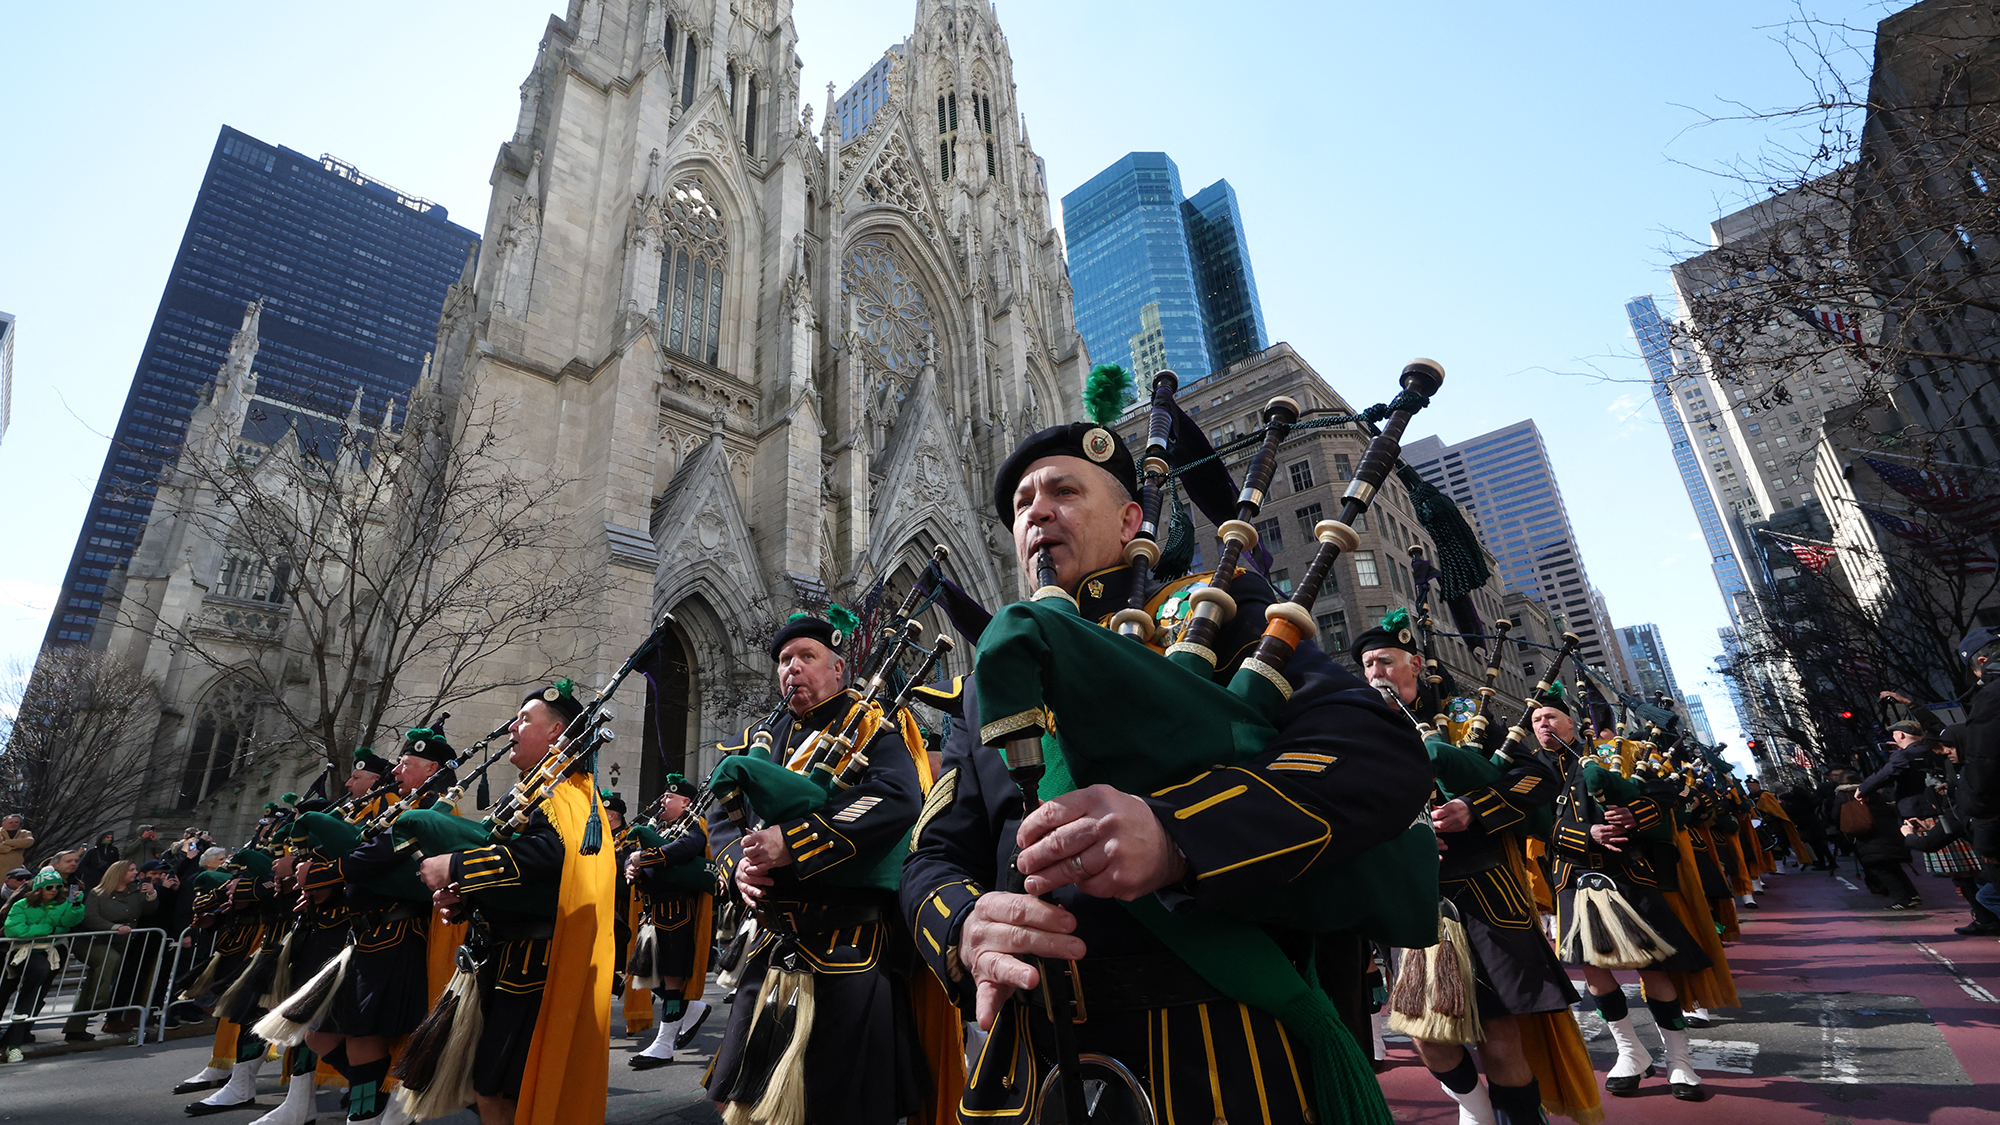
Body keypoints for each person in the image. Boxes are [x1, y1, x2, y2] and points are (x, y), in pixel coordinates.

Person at [901, 406, 1433, 1124]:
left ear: (1129, 522)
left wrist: (1177, 833)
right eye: (1023, 504)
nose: (1038, 513)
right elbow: (932, 854)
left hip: (1222, 1057)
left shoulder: (1208, 613)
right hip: (1033, 1071)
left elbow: (1374, 754)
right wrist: (965, 927)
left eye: (1063, 491)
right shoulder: (987, 688)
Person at [704, 608, 931, 1123]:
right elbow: (721, 818)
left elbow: (896, 799)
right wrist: (739, 863)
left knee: (837, 1107)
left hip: (846, 949)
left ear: (837, 671)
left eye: (808, 657)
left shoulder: (873, 726)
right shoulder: (764, 739)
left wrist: (794, 841)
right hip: (770, 945)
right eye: (785, 660)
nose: (793, 668)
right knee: (737, 1098)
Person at [1356, 617, 1583, 1125]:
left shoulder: (1468, 721)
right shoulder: (1359, 731)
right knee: (1426, 1035)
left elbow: (1536, 782)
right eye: (1368, 665)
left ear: (1415, 664)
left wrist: (1475, 807)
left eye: (1385, 661)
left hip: (1486, 897)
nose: (1376, 672)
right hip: (1415, 900)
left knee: (1501, 1038)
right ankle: (1479, 1112)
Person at [417, 680, 614, 1125]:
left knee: (501, 1091)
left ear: (557, 733)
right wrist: (468, 901)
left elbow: (548, 856)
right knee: (489, 1089)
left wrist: (457, 868)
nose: (512, 727)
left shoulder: (567, 791)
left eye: (526, 720)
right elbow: (527, 881)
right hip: (504, 961)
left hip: (530, 969)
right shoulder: (538, 791)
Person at [1543, 698, 1713, 1101]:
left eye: (1550, 716)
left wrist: (1636, 813)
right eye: (1535, 719)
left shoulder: (1622, 752)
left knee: (1653, 966)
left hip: (1627, 872)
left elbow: (1664, 795)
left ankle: (1679, 1061)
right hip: (1572, 878)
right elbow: (1535, 823)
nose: (1542, 724)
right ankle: (1630, 1052)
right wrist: (1586, 836)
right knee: (1593, 971)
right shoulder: (1532, 766)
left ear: (1572, 723)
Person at [289, 727, 460, 1125]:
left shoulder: (435, 809)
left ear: (432, 768)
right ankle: (388, 1101)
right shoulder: (401, 807)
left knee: (364, 1035)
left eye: (407, 764)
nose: (397, 769)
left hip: (395, 935)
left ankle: (368, 1115)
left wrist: (322, 874)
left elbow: (374, 857)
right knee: (320, 1033)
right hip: (365, 936)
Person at [624, 775, 715, 1069]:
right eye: (663, 797)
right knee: (651, 977)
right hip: (652, 914)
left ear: (686, 802)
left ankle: (664, 1045)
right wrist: (631, 868)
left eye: (669, 798)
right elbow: (633, 855)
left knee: (673, 981)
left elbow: (684, 850)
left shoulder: (694, 826)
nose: (663, 801)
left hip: (678, 914)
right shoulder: (658, 827)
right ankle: (692, 1009)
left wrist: (644, 858)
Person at [62, 859, 159, 1041]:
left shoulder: (136, 893)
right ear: (119, 873)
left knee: (93, 981)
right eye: (131, 869)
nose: (135, 872)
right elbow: (89, 918)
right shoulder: (97, 893)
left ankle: (75, 1027)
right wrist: (113, 927)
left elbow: (148, 910)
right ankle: (100, 1001)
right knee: (109, 959)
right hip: (93, 941)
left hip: (119, 943)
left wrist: (152, 895)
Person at [2, 868, 86, 1063]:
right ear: (39, 888)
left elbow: (68, 922)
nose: (54, 890)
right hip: (23, 953)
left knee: (36, 995)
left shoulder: (63, 903)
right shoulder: (22, 904)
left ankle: (15, 1040)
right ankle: (12, 1042)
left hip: (52, 952)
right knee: (24, 987)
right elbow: (14, 929)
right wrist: (48, 929)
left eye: (58, 886)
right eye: (50, 886)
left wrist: (76, 905)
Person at [1860, 721, 1943, 819]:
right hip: (1940, 802)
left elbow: (1886, 773)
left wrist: (1863, 789)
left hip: (1916, 809)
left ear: (1901, 734)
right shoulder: (1932, 749)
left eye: (1894, 733)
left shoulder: (1903, 756)